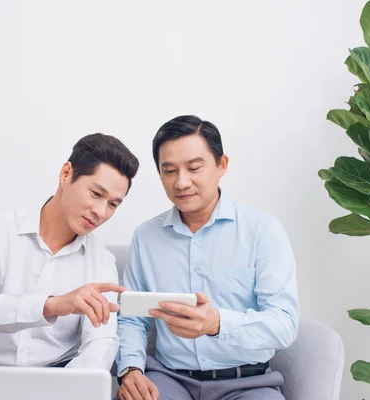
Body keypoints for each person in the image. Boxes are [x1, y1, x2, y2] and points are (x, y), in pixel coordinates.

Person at [116, 115, 299, 400]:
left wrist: (217, 324)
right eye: (170, 171)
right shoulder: (146, 237)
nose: (181, 182)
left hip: (248, 383)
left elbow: (284, 325)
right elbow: (132, 319)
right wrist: (130, 368)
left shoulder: (262, 230)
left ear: (221, 165)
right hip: (170, 380)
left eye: (194, 168)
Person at [0, 133, 139, 370]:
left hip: (56, 380)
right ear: (66, 174)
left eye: (113, 204)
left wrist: (66, 389)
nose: (101, 212)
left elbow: (100, 343)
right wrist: (53, 305)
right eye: (96, 194)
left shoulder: (102, 262)